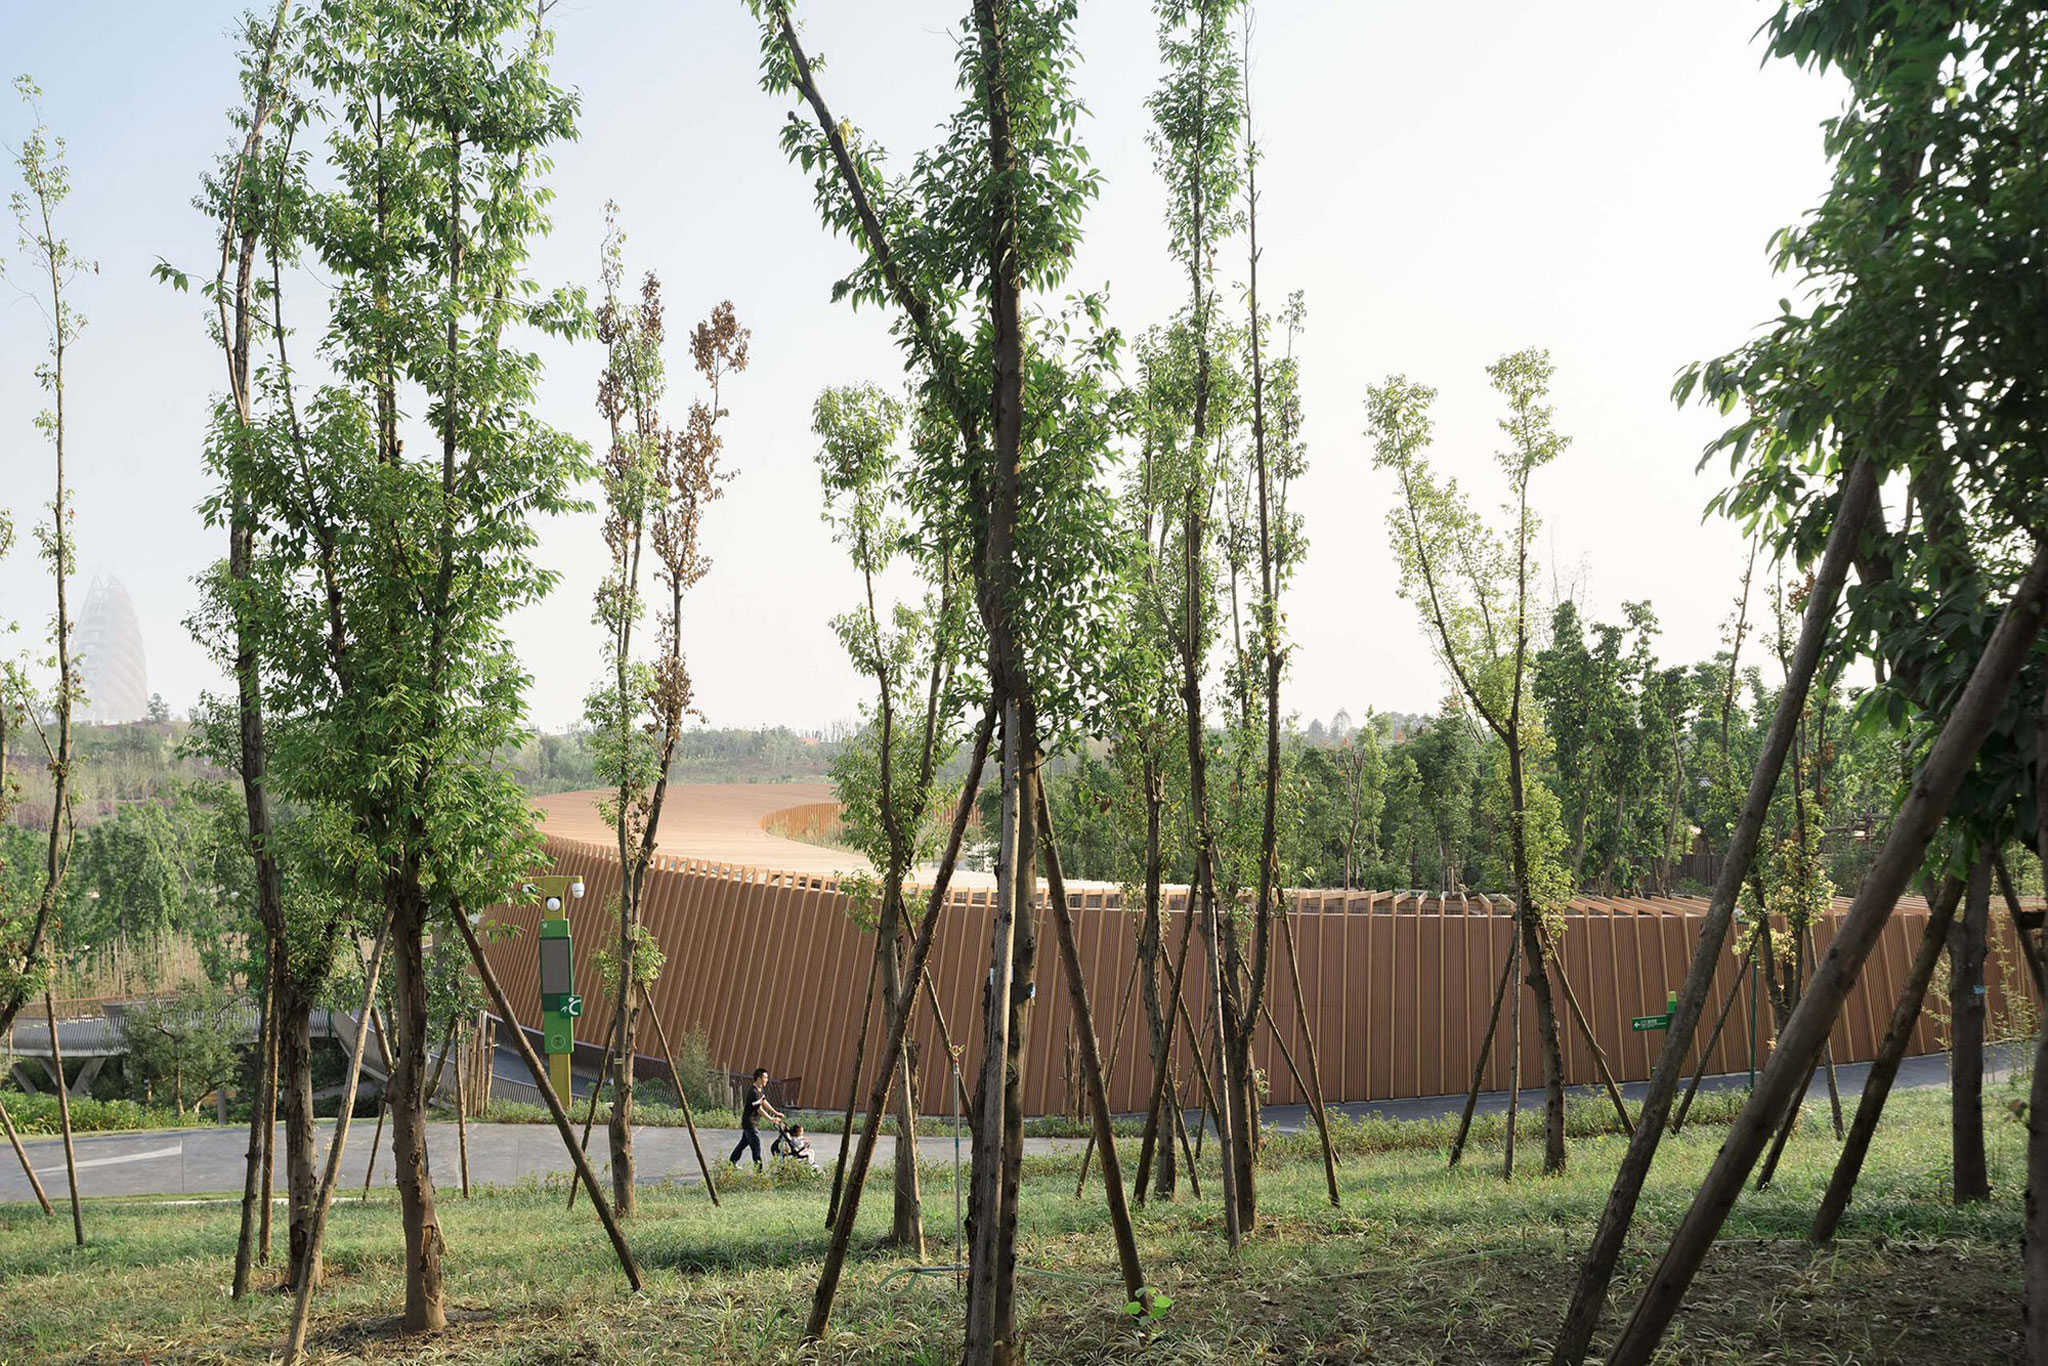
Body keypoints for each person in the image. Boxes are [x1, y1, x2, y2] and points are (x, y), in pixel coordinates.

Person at [729, 1066, 783, 1170]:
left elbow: (764, 1102)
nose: (767, 1080)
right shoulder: (753, 1092)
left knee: (743, 1143)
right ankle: (759, 1171)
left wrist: (775, 1112)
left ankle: (732, 1162)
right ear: (759, 1078)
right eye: (765, 1077)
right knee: (756, 1146)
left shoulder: (760, 1090)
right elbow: (759, 1109)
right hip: (750, 1122)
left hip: (751, 1122)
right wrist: (771, 1119)